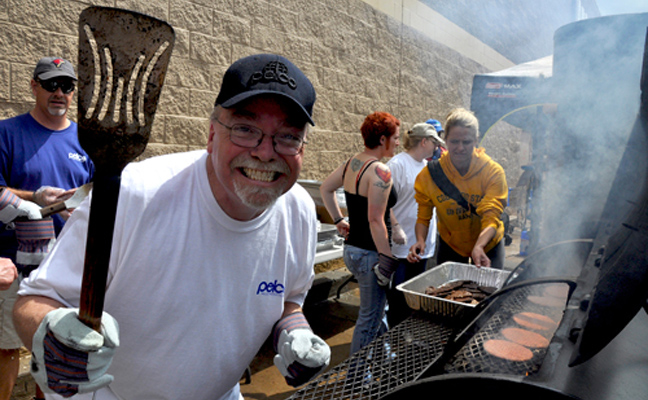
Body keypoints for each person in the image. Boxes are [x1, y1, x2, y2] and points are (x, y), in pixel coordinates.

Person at [13, 53, 330, 400]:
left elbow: (289, 299)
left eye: (288, 136)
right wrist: (50, 335)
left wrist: (294, 331)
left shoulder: (299, 211)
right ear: (212, 134)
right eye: (245, 129)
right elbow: (33, 301)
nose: (265, 152)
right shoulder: (132, 194)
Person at [0, 57, 94, 400]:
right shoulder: (6, 133)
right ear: (34, 86)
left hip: (68, 266)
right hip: (13, 265)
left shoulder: (86, 140)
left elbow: (97, 192)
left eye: (66, 86)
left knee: (56, 351)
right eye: (51, 84)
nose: (59, 92)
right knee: (6, 348)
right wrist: (34, 197)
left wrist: (84, 207)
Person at [320, 111, 400, 355]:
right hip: (370, 255)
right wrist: (386, 259)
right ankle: (358, 374)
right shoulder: (380, 172)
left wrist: (338, 220)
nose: (398, 143)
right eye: (395, 138)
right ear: (383, 139)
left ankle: (384, 355)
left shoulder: (351, 163)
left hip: (352, 251)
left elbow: (325, 189)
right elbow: (375, 220)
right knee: (369, 318)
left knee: (378, 309)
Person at [408, 108, 507, 269]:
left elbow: (492, 216)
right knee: (448, 286)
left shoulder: (492, 171)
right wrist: (420, 240)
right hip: (451, 245)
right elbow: (423, 217)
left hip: (488, 244)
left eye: (466, 142)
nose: (460, 148)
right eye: (454, 141)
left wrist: (479, 246)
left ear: (475, 141)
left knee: (490, 285)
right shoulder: (430, 175)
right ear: (445, 140)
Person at [385, 122, 445, 327]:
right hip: (402, 245)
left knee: (415, 295)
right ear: (424, 142)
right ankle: (394, 334)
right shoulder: (397, 165)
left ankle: (408, 332)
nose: (437, 147)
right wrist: (396, 228)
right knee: (398, 296)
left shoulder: (428, 167)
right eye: (435, 143)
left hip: (423, 244)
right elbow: (382, 202)